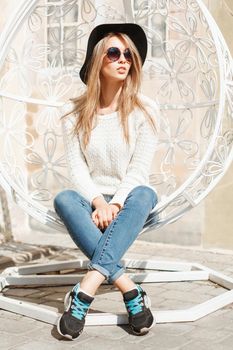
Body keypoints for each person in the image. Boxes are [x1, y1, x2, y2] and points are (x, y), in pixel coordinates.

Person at [54, 23, 159, 341]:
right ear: (97, 60)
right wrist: (99, 202)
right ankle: (129, 287)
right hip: (92, 201)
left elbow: (139, 170)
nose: (123, 59)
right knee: (64, 199)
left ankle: (85, 291)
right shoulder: (74, 114)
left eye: (128, 53)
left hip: (128, 202)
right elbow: (77, 171)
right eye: (114, 52)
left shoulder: (145, 111)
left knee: (145, 193)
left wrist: (115, 203)